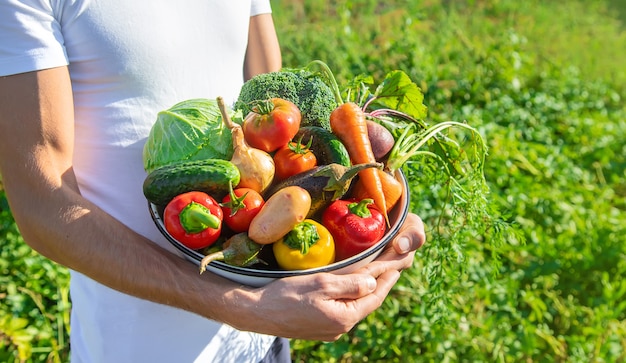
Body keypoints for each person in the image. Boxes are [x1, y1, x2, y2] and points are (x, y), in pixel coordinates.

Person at [0, 1, 426, 362]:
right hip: (142, 348)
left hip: (264, 342)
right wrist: (246, 306)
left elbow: (271, 107)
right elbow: (43, 205)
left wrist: (374, 196)